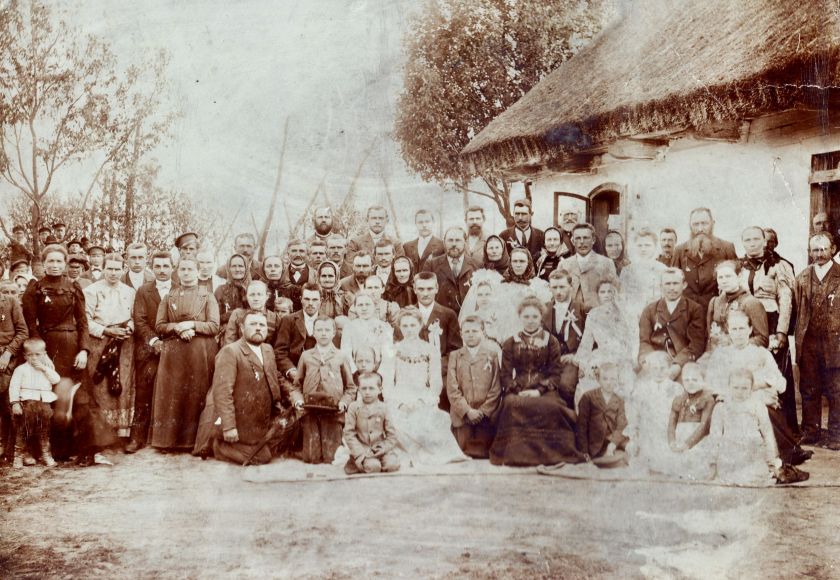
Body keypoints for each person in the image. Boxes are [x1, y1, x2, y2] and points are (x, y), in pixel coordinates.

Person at [22, 244, 113, 466]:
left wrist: (84, 350)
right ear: (43, 264)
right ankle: (57, 450)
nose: (55, 265)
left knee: (81, 398)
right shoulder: (35, 289)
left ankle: (86, 451)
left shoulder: (73, 287)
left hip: (73, 348)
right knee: (53, 397)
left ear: (65, 264)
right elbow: (31, 325)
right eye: (50, 261)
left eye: (59, 261)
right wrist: (40, 354)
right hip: (47, 350)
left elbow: (83, 323)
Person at [490, 297, 582, 466]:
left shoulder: (551, 341)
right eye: (526, 316)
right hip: (519, 388)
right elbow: (505, 374)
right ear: (520, 317)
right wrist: (517, 389)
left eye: (534, 316)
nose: (530, 321)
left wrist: (538, 391)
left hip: (545, 388)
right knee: (511, 405)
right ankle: (516, 455)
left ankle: (551, 454)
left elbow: (555, 373)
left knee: (551, 407)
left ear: (541, 317)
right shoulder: (511, 342)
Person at [380, 308, 467, 466]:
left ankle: (424, 454)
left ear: (420, 325)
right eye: (405, 326)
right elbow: (387, 383)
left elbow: (436, 383)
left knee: (430, 418)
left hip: (422, 396)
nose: (409, 330)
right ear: (399, 327)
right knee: (394, 419)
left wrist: (422, 401)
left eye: (413, 325)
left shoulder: (430, 350)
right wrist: (398, 403)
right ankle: (404, 454)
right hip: (399, 396)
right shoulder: (393, 350)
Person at [151, 258, 220, 451]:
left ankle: (193, 441)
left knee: (196, 394)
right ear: (178, 272)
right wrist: (178, 328)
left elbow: (214, 325)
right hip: (174, 354)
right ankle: (169, 441)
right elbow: (159, 326)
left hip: (200, 352)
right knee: (173, 395)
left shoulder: (207, 296)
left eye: (190, 269)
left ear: (198, 271)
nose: (187, 273)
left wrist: (192, 325)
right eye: (183, 269)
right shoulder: (169, 297)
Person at [206, 310, 285, 465]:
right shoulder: (231, 351)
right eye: (253, 324)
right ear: (242, 328)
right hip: (241, 421)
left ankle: (252, 445)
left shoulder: (268, 349)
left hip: (261, 418)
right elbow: (222, 393)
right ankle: (221, 446)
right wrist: (229, 427)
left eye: (262, 325)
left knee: (288, 431)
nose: (258, 328)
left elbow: (276, 377)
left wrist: (294, 395)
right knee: (263, 457)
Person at [741, 225, 797, 433]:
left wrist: (782, 332)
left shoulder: (779, 265)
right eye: (747, 240)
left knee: (774, 373)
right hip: (747, 325)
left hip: (771, 323)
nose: (752, 243)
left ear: (764, 241)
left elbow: (786, 300)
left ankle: (782, 431)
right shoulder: (738, 266)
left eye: (756, 239)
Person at [288, 316, 356, 464]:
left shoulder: (341, 356)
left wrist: (344, 403)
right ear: (313, 332)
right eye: (319, 330)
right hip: (310, 411)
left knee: (331, 457)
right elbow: (296, 387)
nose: (323, 333)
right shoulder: (306, 356)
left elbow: (351, 388)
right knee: (312, 458)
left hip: (333, 412)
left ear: (333, 333)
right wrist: (298, 400)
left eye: (327, 330)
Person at [794, 232, 840, 449]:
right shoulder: (802, 278)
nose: (819, 254)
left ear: (833, 250)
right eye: (815, 250)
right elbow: (797, 310)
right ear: (810, 252)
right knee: (809, 388)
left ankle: (836, 434)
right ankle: (811, 432)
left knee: (836, 390)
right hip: (809, 342)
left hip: (835, 342)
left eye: (823, 249)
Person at [84, 252, 136, 438]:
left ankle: (122, 431)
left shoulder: (130, 292)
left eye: (117, 269)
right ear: (103, 269)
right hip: (100, 343)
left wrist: (129, 327)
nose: (113, 273)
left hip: (124, 343)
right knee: (101, 385)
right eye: (109, 269)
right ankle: (103, 434)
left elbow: (134, 316)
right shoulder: (91, 291)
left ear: (123, 270)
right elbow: (85, 320)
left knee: (123, 383)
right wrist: (106, 330)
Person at [128, 251, 172, 454]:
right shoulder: (143, 291)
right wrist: (154, 341)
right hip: (149, 347)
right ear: (152, 268)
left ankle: (169, 437)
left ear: (173, 267)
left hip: (175, 347)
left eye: (166, 266)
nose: (162, 271)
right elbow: (140, 320)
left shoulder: (180, 288)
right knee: (144, 389)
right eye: (158, 266)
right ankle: (137, 436)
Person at [710, 368, 781, 486]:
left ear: (751, 388)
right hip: (730, 453)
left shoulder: (757, 405)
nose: (740, 392)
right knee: (729, 475)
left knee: (755, 475)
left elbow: (767, 433)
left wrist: (771, 461)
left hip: (752, 452)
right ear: (729, 387)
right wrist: (713, 461)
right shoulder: (722, 407)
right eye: (735, 388)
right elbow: (715, 436)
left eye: (744, 388)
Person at [446, 316, 501, 458]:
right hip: (462, 415)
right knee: (463, 451)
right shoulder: (455, 356)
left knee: (483, 451)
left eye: (475, 331)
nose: (470, 335)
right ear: (461, 334)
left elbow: (496, 388)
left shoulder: (492, 355)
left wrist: (483, 411)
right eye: (467, 331)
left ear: (483, 332)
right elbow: (452, 389)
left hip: (485, 416)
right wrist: (467, 411)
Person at [638, 268, 706, 379]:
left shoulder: (694, 309)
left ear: (684, 285)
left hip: (682, 363)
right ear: (661, 286)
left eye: (675, 283)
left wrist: (677, 365)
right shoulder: (649, 310)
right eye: (667, 284)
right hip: (655, 362)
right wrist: (647, 362)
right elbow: (644, 342)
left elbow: (696, 344)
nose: (672, 288)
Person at [409, 272, 462, 408]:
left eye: (429, 289)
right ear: (414, 289)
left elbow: (455, 350)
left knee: (444, 392)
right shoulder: (407, 314)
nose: (425, 293)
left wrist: (437, 367)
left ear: (437, 288)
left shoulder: (448, 314)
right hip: (413, 369)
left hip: (440, 370)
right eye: (421, 289)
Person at [670, 208, 738, 311]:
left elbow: (737, 281)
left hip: (717, 309)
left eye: (704, 223)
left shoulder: (726, 248)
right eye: (695, 224)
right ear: (690, 226)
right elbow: (672, 281)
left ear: (712, 224)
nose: (700, 229)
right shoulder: (679, 251)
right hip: (687, 311)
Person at [627, 351, 683, 474]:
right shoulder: (641, 388)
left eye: (663, 368)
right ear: (649, 369)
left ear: (669, 369)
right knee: (642, 462)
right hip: (647, 432)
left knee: (670, 462)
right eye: (655, 368)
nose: (659, 372)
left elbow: (680, 415)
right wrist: (633, 436)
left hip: (667, 432)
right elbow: (634, 414)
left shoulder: (676, 388)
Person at [9, 338, 60, 467]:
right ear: (25, 356)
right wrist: (15, 403)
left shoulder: (47, 368)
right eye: (30, 355)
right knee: (23, 430)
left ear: (44, 354)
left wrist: (44, 369)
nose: (34, 358)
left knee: (44, 431)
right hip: (27, 403)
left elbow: (56, 380)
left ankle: (46, 454)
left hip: (44, 403)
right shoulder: (21, 369)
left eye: (38, 354)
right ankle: (19, 456)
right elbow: (14, 387)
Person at [577, 279, 637, 384]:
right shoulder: (593, 314)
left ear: (615, 293)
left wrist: (633, 358)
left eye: (610, 291)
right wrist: (582, 365)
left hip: (622, 356)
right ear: (598, 295)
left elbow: (633, 337)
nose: (606, 295)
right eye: (602, 292)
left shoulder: (624, 313)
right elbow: (586, 341)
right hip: (602, 355)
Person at [664, 362, 716, 480]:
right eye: (686, 380)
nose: (690, 383)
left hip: (698, 439)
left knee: (695, 465)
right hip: (680, 437)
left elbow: (704, 426)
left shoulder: (707, 399)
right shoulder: (678, 399)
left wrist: (687, 444)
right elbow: (671, 423)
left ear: (703, 380)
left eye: (695, 379)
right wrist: (672, 441)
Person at [343, 371, 400, 474]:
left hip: (380, 449)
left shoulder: (384, 408)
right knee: (373, 467)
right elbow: (348, 434)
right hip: (362, 449)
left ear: (379, 390)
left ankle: (378, 462)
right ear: (358, 389)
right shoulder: (353, 407)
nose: (367, 392)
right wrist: (360, 452)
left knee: (392, 465)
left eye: (371, 388)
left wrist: (383, 448)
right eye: (364, 388)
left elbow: (392, 435)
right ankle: (360, 462)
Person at [706, 260, 768, 351]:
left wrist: (735, 345)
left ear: (739, 277)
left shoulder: (751, 303)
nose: (724, 281)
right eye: (720, 277)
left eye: (728, 276)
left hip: (742, 354)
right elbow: (710, 337)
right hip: (718, 354)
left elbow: (762, 339)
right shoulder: (714, 302)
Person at [576, 361, 629, 467]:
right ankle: (602, 458)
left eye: (613, 379)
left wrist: (613, 444)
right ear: (598, 379)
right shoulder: (588, 397)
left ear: (617, 380)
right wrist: (584, 451)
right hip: (594, 441)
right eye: (605, 379)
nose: (609, 383)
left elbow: (621, 425)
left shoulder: (619, 400)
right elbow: (582, 426)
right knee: (599, 460)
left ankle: (612, 455)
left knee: (630, 448)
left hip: (612, 440)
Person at [558, 223, 617, 313]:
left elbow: (615, 293)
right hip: (571, 316)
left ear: (593, 240)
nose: (582, 242)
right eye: (578, 238)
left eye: (586, 238)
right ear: (573, 241)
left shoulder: (606, 263)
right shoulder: (564, 265)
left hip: (598, 314)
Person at [274, 283, 323, 385]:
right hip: (293, 375)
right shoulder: (288, 320)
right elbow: (280, 352)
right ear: (301, 299)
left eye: (315, 300)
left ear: (321, 301)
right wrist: (291, 371)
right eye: (307, 299)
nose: (310, 303)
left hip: (319, 376)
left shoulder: (326, 322)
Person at [0, 288, 28, 463]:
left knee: (9, 405)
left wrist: (8, 353)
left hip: (8, 359)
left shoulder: (10, 302)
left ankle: (13, 450)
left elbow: (23, 332)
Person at [422, 226, 476, 315]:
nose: (454, 244)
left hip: (469, 318)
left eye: (458, 240)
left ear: (465, 242)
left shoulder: (477, 265)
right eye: (450, 240)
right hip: (441, 317)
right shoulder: (431, 265)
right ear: (444, 242)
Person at [619, 227, 667, 318]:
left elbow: (667, 299)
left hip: (656, 317)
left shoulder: (663, 270)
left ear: (655, 246)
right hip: (633, 317)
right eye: (639, 245)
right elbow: (622, 299)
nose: (643, 249)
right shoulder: (627, 271)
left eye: (647, 245)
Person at [340, 292, 393, 373]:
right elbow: (346, 353)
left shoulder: (384, 327)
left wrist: (379, 374)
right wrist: (354, 372)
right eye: (360, 305)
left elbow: (387, 355)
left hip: (378, 372)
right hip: (356, 372)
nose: (364, 308)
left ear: (374, 306)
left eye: (367, 304)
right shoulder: (349, 327)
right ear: (355, 307)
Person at [223, 280, 280, 347]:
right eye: (252, 295)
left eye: (259, 294)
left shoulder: (274, 318)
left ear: (267, 296)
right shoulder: (237, 314)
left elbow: (278, 346)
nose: (256, 299)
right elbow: (229, 343)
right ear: (246, 297)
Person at [458, 273, 504, 347]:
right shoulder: (470, 318)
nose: (484, 298)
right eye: (480, 295)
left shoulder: (499, 316)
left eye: (487, 294)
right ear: (475, 297)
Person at [214, 253, 250, 330]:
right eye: (234, 266)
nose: (237, 269)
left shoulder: (253, 288)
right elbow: (215, 318)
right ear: (228, 268)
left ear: (246, 268)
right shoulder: (220, 290)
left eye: (241, 266)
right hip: (226, 330)